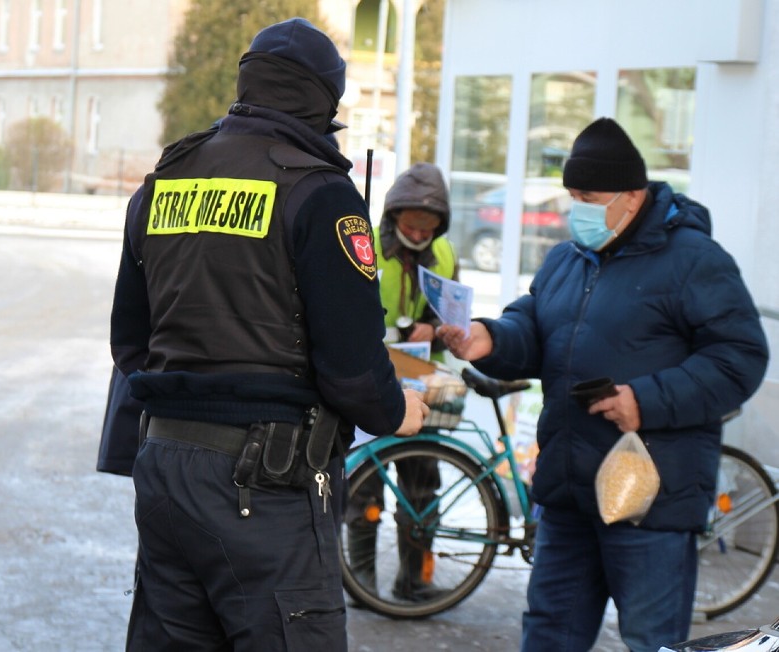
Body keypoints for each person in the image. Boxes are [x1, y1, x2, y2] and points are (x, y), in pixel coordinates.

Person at [109, 17, 429, 651]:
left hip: (167, 471)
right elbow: (350, 366)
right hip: (266, 483)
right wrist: (397, 410)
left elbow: (130, 342)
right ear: (323, 100)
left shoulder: (166, 179)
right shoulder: (319, 191)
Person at [438, 117, 769, 652]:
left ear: (633, 197)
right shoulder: (567, 260)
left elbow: (741, 358)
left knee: (650, 641)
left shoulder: (695, 262)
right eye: (573, 196)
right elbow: (535, 326)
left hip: (650, 502)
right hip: (570, 492)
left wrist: (646, 401)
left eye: (588, 196)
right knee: (548, 631)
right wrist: (490, 341)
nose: (578, 209)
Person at [345, 162, 458, 603]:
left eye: (428, 223)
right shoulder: (364, 244)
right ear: (393, 216)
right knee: (366, 485)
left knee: (422, 487)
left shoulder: (446, 253)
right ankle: (361, 582)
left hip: (424, 381)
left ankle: (416, 579)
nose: (418, 229)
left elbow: (453, 312)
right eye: (410, 221)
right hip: (376, 378)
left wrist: (435, 326)